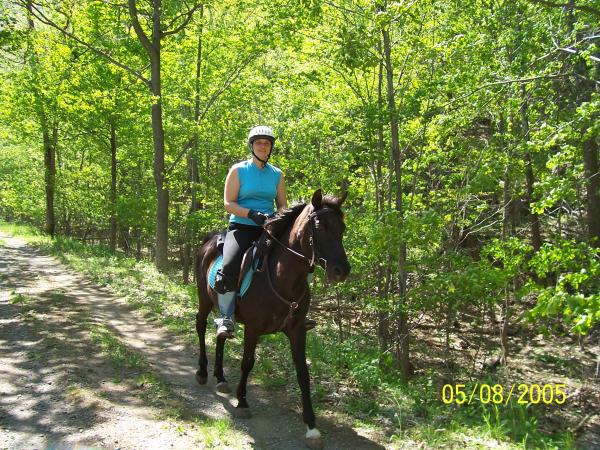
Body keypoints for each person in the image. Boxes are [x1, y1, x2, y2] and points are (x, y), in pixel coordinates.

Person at [213, 125, 287, 338]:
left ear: (271, 147)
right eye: (259, 143)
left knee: (299, 257)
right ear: (251, 146)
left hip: (269, 228)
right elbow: (228, 203)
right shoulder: (238, 170)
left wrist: (278, 219)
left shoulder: (277, 175)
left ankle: (294, 313)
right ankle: (226, 317)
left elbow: (282, 205)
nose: (263, 146)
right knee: (230, 263)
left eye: (267, 143)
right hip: (242, 227)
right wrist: (251, 213)